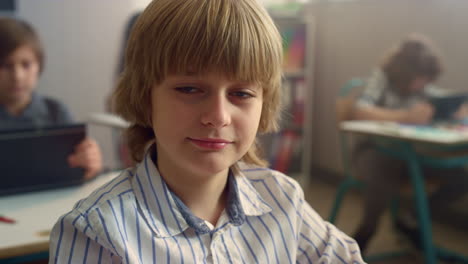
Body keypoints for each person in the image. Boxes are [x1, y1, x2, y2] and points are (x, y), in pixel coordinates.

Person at [48, 0, 365, 263]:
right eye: (189, 89)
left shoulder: (282, 199)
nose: (218, 116)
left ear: (264, 104)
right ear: (145, 95)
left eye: (241, 94)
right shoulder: (97, 231)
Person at [351, 34, 468, 252]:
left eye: (427, 80)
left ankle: (410, 220)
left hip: (409, 156)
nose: (423, 84)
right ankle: (366, 230)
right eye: (420, 78)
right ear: (405, 73)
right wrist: (404, 116)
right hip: (373, 151)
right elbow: (360, 111)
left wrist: (455, 110)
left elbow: (440, 97)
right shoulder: (382, 79)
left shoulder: (423, 88)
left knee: (460, 178)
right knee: (382, 172)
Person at [0, 17, 102, 179]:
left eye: (26, 65)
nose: (17, 76)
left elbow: (81, 169)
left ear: (39, 66)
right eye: (5, 65)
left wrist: (89, 162)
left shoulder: (56, 111)